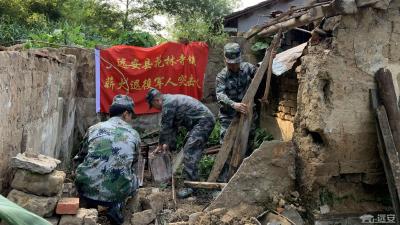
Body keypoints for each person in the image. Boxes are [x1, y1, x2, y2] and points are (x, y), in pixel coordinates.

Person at [74, 94, 140, 225]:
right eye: (131, 116)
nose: (131, 119)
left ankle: (87, 208)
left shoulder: (94, 129)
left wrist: (79, 175)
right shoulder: (134, 134)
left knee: (86, 171)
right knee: (135, 180)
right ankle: (117, 208)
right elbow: (132, 164)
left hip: (87, 188)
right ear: (126, 113)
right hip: (116, 193)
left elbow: (80, 156)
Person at [146, 88, 215, 198]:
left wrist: (160, 144)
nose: (156, 109)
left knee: (189, 151)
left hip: (203, 122)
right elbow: (173, 127)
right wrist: (167, 144)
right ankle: (192, 181)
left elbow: (166, 127)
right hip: (199, 123)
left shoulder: (168, 103)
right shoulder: (170, 100)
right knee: (187, 146)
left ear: (156, 101)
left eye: (153, 106)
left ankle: (193, 187)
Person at [215, 43, 258, 181]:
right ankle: (223, 181)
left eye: (236, 63)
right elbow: (220, 95)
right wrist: (234, 105)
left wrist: (270, 60)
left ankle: (244, 176)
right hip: (228, 115)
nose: (234, 66)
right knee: (226, 147)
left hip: (247, 113)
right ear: (225, 61)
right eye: (230, 64)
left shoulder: (248, 68)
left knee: (248, 143)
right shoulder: (221, 76)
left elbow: (261, 74)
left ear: (240, 59)